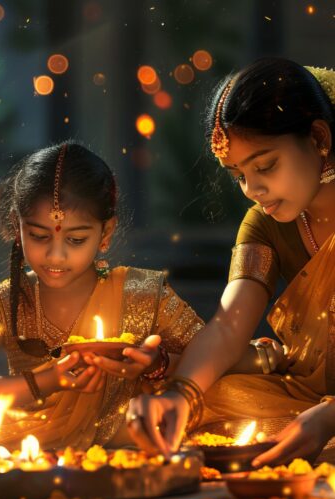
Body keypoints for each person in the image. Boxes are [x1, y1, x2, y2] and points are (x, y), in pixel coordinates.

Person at [127, 58, 335, 466]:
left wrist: (331, 418)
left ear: (318, 137)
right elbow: (228, 326)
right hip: (306, 399)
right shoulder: (266, 222)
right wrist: (180, 394)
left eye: (265, 166)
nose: (253, 189)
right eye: (237, 175)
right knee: (201, 402)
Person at [0, 142, 205, 451]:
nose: (56, 255)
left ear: (106, 233)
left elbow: (213, 358)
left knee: (226, 394)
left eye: (76, 239)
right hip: (36, 438)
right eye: (39, 236)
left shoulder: (142, 292)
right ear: (16, 227)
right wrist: (49, 380)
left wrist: (157, 364)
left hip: (129, 430)